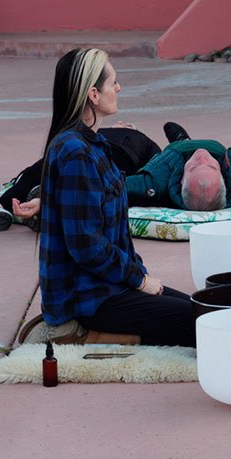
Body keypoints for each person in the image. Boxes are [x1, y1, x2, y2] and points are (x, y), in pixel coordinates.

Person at [25, 48, 195, 347]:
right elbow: (87, 246)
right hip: (89, 299)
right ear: (93, 94)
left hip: (110, 286)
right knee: (206, 324)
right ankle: (80, 333)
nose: (118, 88)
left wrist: (137, 277)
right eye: (113, 82)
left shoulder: (94, 145)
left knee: (205, 309)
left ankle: (121, 332)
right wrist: (139, 280)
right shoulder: (76, 152)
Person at [0, 122, 231, 232]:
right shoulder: (176, 172)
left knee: (58, 156)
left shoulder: (162, 170)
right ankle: (31, 202)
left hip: (130, 156)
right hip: (133, 163)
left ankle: (4, 202)